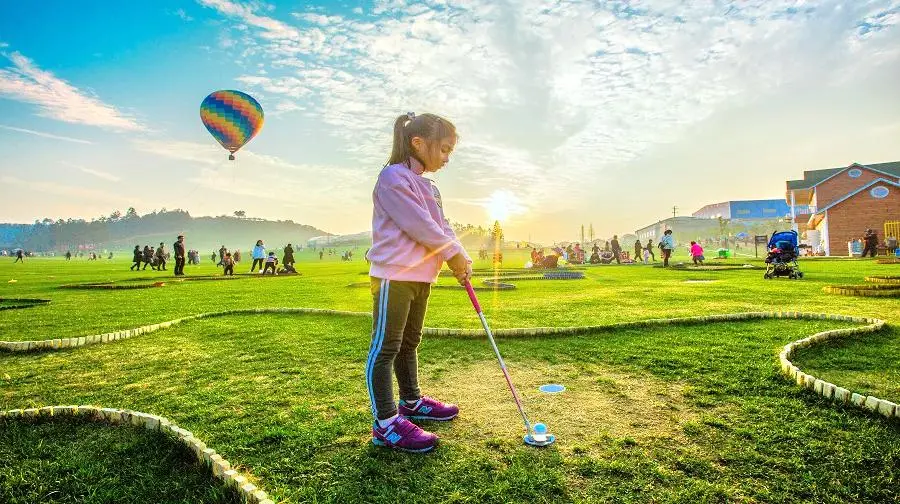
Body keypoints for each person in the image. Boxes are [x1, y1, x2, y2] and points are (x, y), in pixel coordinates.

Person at [366, 112, 470, 453]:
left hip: (422, 275)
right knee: (386, 348)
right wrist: (451, 253)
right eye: (443, 149)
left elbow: (442, 225)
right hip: (393, 275)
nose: (446, 158)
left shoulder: (429, 185)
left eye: (450, 151)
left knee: (410, 342)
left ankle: (411, 402)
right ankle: (385, 423)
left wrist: (461, 256)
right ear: (418, 143)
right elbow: (419, 225)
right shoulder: (393, 177)